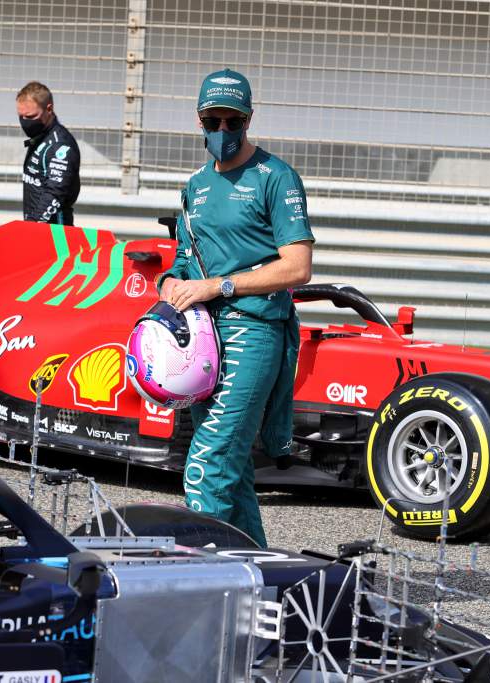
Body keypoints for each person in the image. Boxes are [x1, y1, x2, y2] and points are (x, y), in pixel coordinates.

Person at [157, 68, 314, 547]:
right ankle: (257, 573)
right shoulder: (195, 186)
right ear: (199, 120)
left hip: (256, 330)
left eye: (234, 121)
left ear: (249, 119)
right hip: (206, 337)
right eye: (213, 120)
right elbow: (185, 260)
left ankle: (201, 582)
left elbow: (298, 268)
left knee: (207, 467)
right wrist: (168, 285)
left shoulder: (276, 177)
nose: (223, 131)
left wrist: (217, 287)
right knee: (233, 466)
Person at [16, 81, 81, 225]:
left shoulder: (60, 145)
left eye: (31, 117)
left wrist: (31, 225)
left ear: (49, 109)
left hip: (55, 233)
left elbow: (55, 194)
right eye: (21, 117)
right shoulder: (41, 138)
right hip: (38, 229)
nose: (25, 122)